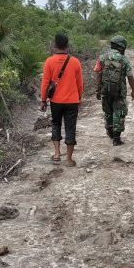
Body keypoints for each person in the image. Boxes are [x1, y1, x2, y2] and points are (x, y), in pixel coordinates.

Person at [40, 33, 83, 167]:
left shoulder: (49, 62)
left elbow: (45, 83)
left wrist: (43, 100)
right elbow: (80, 83)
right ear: (68, 46)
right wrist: (79, 97)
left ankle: (57, 154)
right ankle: (69, 160)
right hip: (72, 101)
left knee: (56, 124)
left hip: (55, 101)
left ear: (54, 46)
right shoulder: (75, 62)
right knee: (70, 128)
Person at [96, 34, 134, 146]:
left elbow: (98, 74)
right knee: (119, 112)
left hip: (105, 90)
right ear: (121, 47)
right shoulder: (123, 59)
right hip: (119, 91)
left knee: (108, 112)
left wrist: (97, 90)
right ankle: (117, 139)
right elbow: (130, 77)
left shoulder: (102, 58)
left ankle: (110, 132)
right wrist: (133, 90)